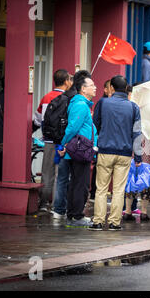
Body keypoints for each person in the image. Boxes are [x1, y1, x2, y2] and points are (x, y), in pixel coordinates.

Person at [89, 75, 143, 231]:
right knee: (118, 189)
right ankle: (114, 222)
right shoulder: (134, 107)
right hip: (125, 153)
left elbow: (96, 124)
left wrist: (103, 135)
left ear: (111, 88)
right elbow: (137, 133)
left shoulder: (103, 103)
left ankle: (98, 221)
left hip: (105, 151)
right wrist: (138, 156)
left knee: (101, 189)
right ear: (127, 89)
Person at [60, 75, 98, 228]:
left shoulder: (82, 104)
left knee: (78, 182)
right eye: (92, 84)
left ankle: (73, 215)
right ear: (83, 88)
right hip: (80, 150)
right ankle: (76, 216)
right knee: (80, 183)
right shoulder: (81, 105)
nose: (95, 87)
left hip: (81, 149)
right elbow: (72, 128)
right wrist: (63, 144)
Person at [33, 69, 72, 212]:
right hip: (63, 142)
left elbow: (37, 119)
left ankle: (43, 203)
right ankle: (57, 204)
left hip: (48, 141)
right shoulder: (69, 99)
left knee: (47, 173)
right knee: (60, 175)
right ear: (67, 81)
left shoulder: (46, 97)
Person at [50, 71, 88, 220]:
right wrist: (65, 143)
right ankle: (70, 212)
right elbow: (73, 127)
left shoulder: (60, 98)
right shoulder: (78, 101)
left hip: (59, 142)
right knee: (76, 180)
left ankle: (59, 210)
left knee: (62, 178)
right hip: (71, 145)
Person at [90, 79, 113, 202]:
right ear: (105, 89)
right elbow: (96, 122)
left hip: (107, 141)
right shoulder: (102, 102)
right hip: (102, 139)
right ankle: (94, 193)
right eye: (110, 87)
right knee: (99, 168)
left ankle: (97, 193)